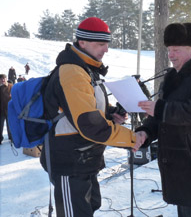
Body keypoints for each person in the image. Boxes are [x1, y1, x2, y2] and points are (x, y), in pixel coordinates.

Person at [39, 17, 145, 217]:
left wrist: (110, 114)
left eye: (107, 44)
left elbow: (84, 109)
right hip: (69, 161)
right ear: (82, 43)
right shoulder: (72, 72)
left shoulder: (87, 69)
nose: (106, 49)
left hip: (84, 158)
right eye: (100, 44)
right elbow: (90, 124)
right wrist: (131, 138)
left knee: (89, 207)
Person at [137, 23, 191, 217]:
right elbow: (160, 114)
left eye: (176, 50)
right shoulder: (171, 77)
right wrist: (145, 132)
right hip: (179, 168)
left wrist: (159, 108)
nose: (171, 54)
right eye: (169, 49)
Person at [0, 74, 13, 144]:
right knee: (0, 125)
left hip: (10, 110)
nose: (2, 80)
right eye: (1, 79)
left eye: (4, 78)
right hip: (1, 110)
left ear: (6, 79)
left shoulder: (11, 86)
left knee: (10, 125)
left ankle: (11, 138)